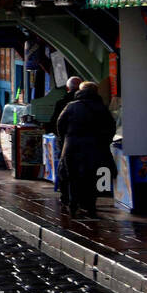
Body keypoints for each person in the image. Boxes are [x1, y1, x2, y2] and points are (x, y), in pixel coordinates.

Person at [56, 81, 115, 218]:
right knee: (91, 176)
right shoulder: (101, 107)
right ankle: (91, 206)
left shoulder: (71, 106)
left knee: (72, 176)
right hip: (94, 147)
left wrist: (65, 139)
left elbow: (60, 124)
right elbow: (110, 126)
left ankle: (73, 204)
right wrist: (104, 141)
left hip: (72, 146)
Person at [49, 75, 84, 204]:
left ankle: (66, 197)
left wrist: (62, 137)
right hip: (89, 145)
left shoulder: (63, 103)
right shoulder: (97, 103)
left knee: (66, 169)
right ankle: (84, 199)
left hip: (68, 143)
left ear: (68, 88)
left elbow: (56, 123)